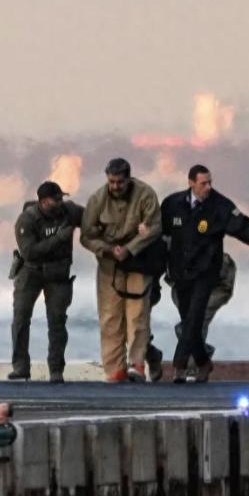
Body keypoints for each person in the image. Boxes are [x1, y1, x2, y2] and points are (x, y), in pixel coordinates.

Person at [161, 165, 249, 383]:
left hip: (206, 271)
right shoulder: (173, 203)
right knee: (188, 320)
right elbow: (160, 231)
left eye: (210, 182)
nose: (208, 187)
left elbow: (239, 224)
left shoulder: (219, 205)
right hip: (181, 271)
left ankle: (179, 367)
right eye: (203, 183)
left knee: (194, 317)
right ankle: (203, 362)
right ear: (191, 183)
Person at [80, 158, 164, 382]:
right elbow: (86, 236)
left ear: (128, 179)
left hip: (139, 260)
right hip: (109, 264)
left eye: (120, 182)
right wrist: (107, 249)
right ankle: (114, 369)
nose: (115, 186)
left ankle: (137, 364)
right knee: (110, 317)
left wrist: (130, 248)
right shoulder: (97, 199)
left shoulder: (145, 194)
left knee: (137, 314)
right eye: (111, 181)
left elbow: (155, 227)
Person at [8, 181, 83, 383]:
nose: (60, 202)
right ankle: (20, 366)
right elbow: (29, 252)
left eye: (61, 198)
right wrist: (59, 238)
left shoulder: (69, 211)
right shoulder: (27, 219)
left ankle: (56, 369)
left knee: (57, 320)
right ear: (43, 202)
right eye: (55, 199)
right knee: (21, 318)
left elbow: (92, 219)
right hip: (31, 271)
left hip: (58, 272)